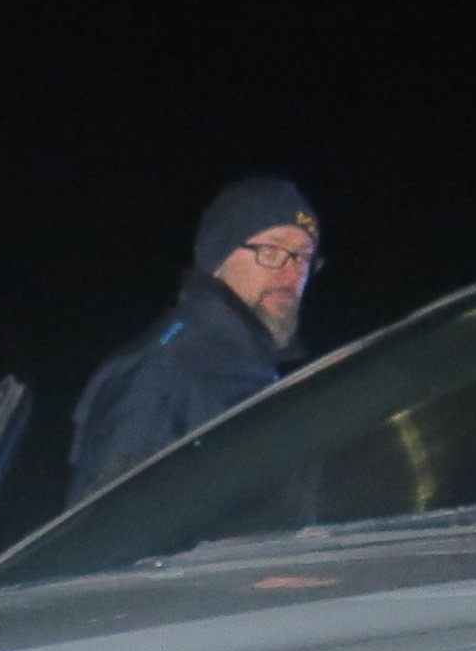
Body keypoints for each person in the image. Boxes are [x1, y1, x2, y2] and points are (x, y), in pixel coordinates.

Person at [64, 176, 322, 505]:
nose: (291, 274)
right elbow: (110, 530)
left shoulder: (256, 377)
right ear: (217, 260)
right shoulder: (165, 370)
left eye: (303, 257)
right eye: (271, 251)